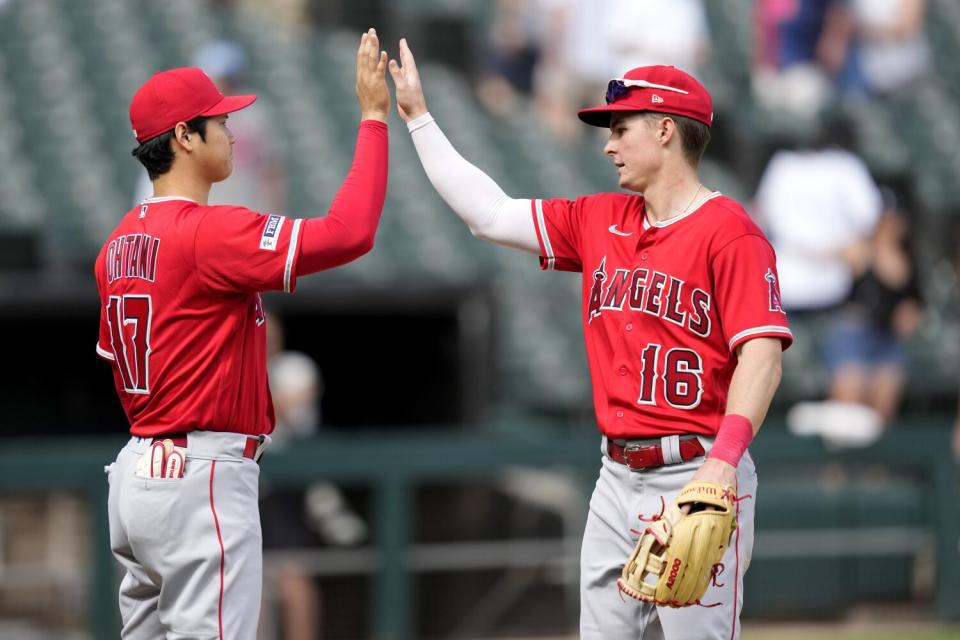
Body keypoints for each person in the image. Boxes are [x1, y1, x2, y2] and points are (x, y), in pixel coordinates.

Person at [389, 40, 792, 639]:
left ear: (664, 129)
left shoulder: (730, 234)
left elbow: (761, 357)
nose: (607, 144)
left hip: (695, 476)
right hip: (614, 476)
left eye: (620, 128)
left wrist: (724, 464)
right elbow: (490, 215)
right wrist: (419, 118)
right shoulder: (600, 219)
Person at [96, 29, 389, 639]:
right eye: (220, 122)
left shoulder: (116, 244)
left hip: (135, 476)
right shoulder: (207, 231)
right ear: (183, 136)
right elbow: (350, 231)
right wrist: (372, 119)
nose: (233, 133)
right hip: (200, 475)